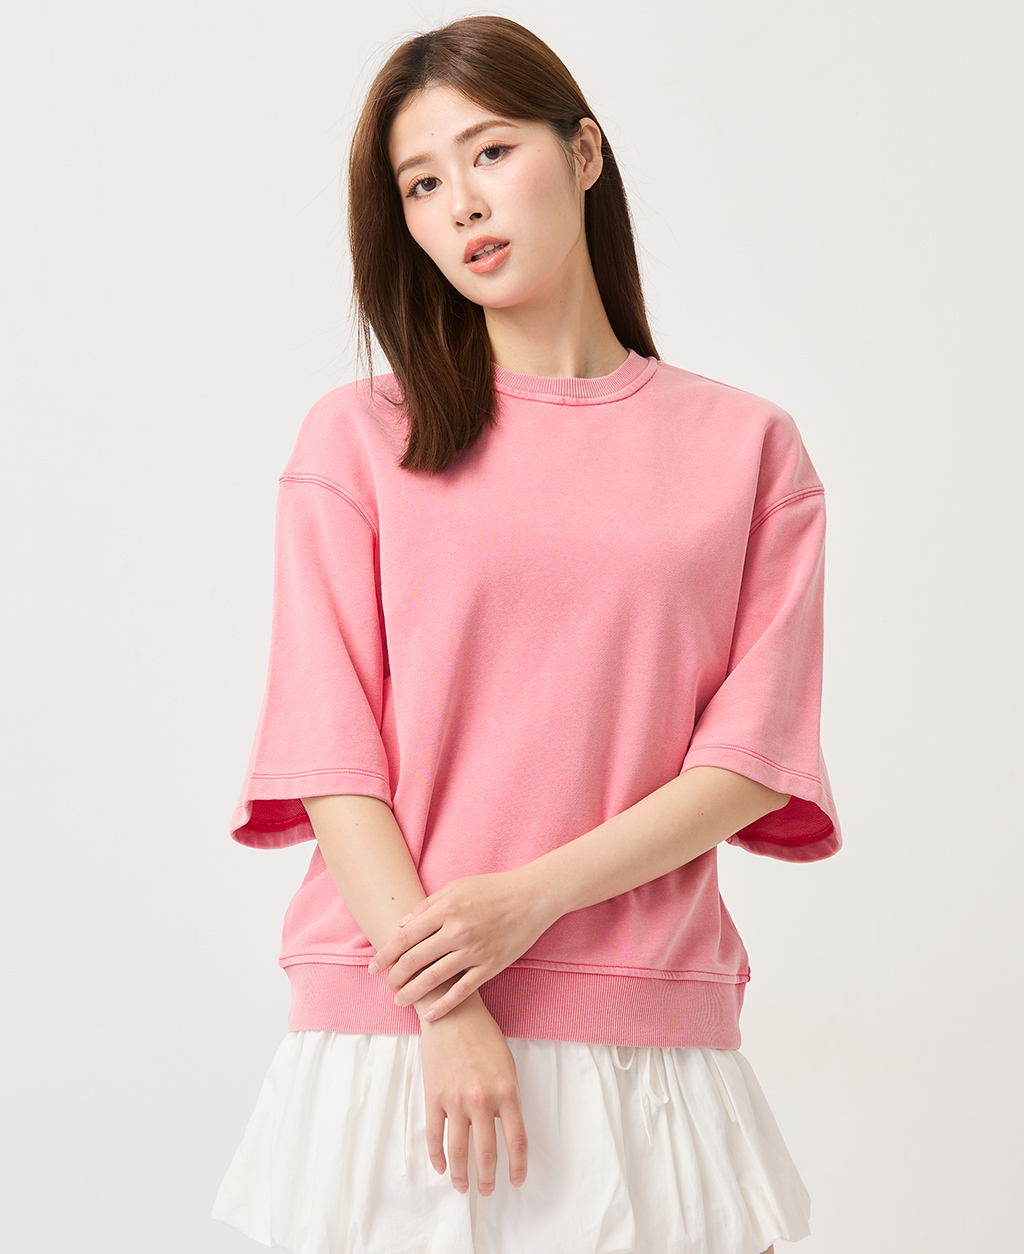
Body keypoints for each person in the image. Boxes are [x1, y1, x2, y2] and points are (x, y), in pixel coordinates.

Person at [211, 15, 842, 1254]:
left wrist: (527, 901)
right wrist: (444, 1003)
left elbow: (748, 761)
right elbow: (330, 753)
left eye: (490, 152)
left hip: (645, 1023)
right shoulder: (358, 440)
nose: (461, 204)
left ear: (584, 153)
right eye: (421, 184)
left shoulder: (748, 451)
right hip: (395, 1033)